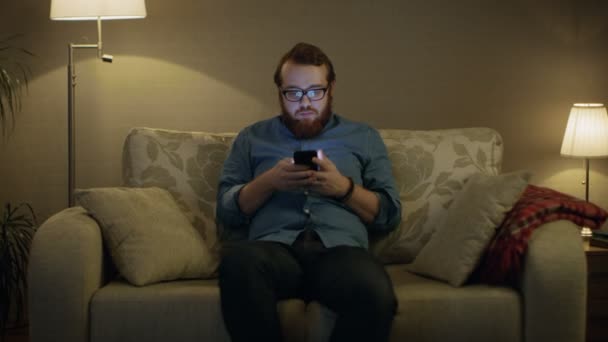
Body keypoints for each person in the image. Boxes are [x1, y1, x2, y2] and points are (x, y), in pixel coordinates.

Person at [216, 42, 401, 342]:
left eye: (316, 91)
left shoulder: (363, 137)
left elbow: (389, 214)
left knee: (375, 290)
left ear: (331, 88)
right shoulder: (252, 138)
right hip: (274, 253)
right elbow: (226, 212)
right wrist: (269, 182)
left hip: (340, 255)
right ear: (279, 93)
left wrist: (344, 190)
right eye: (293, 93)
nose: (305, 103)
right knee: (238, 263)